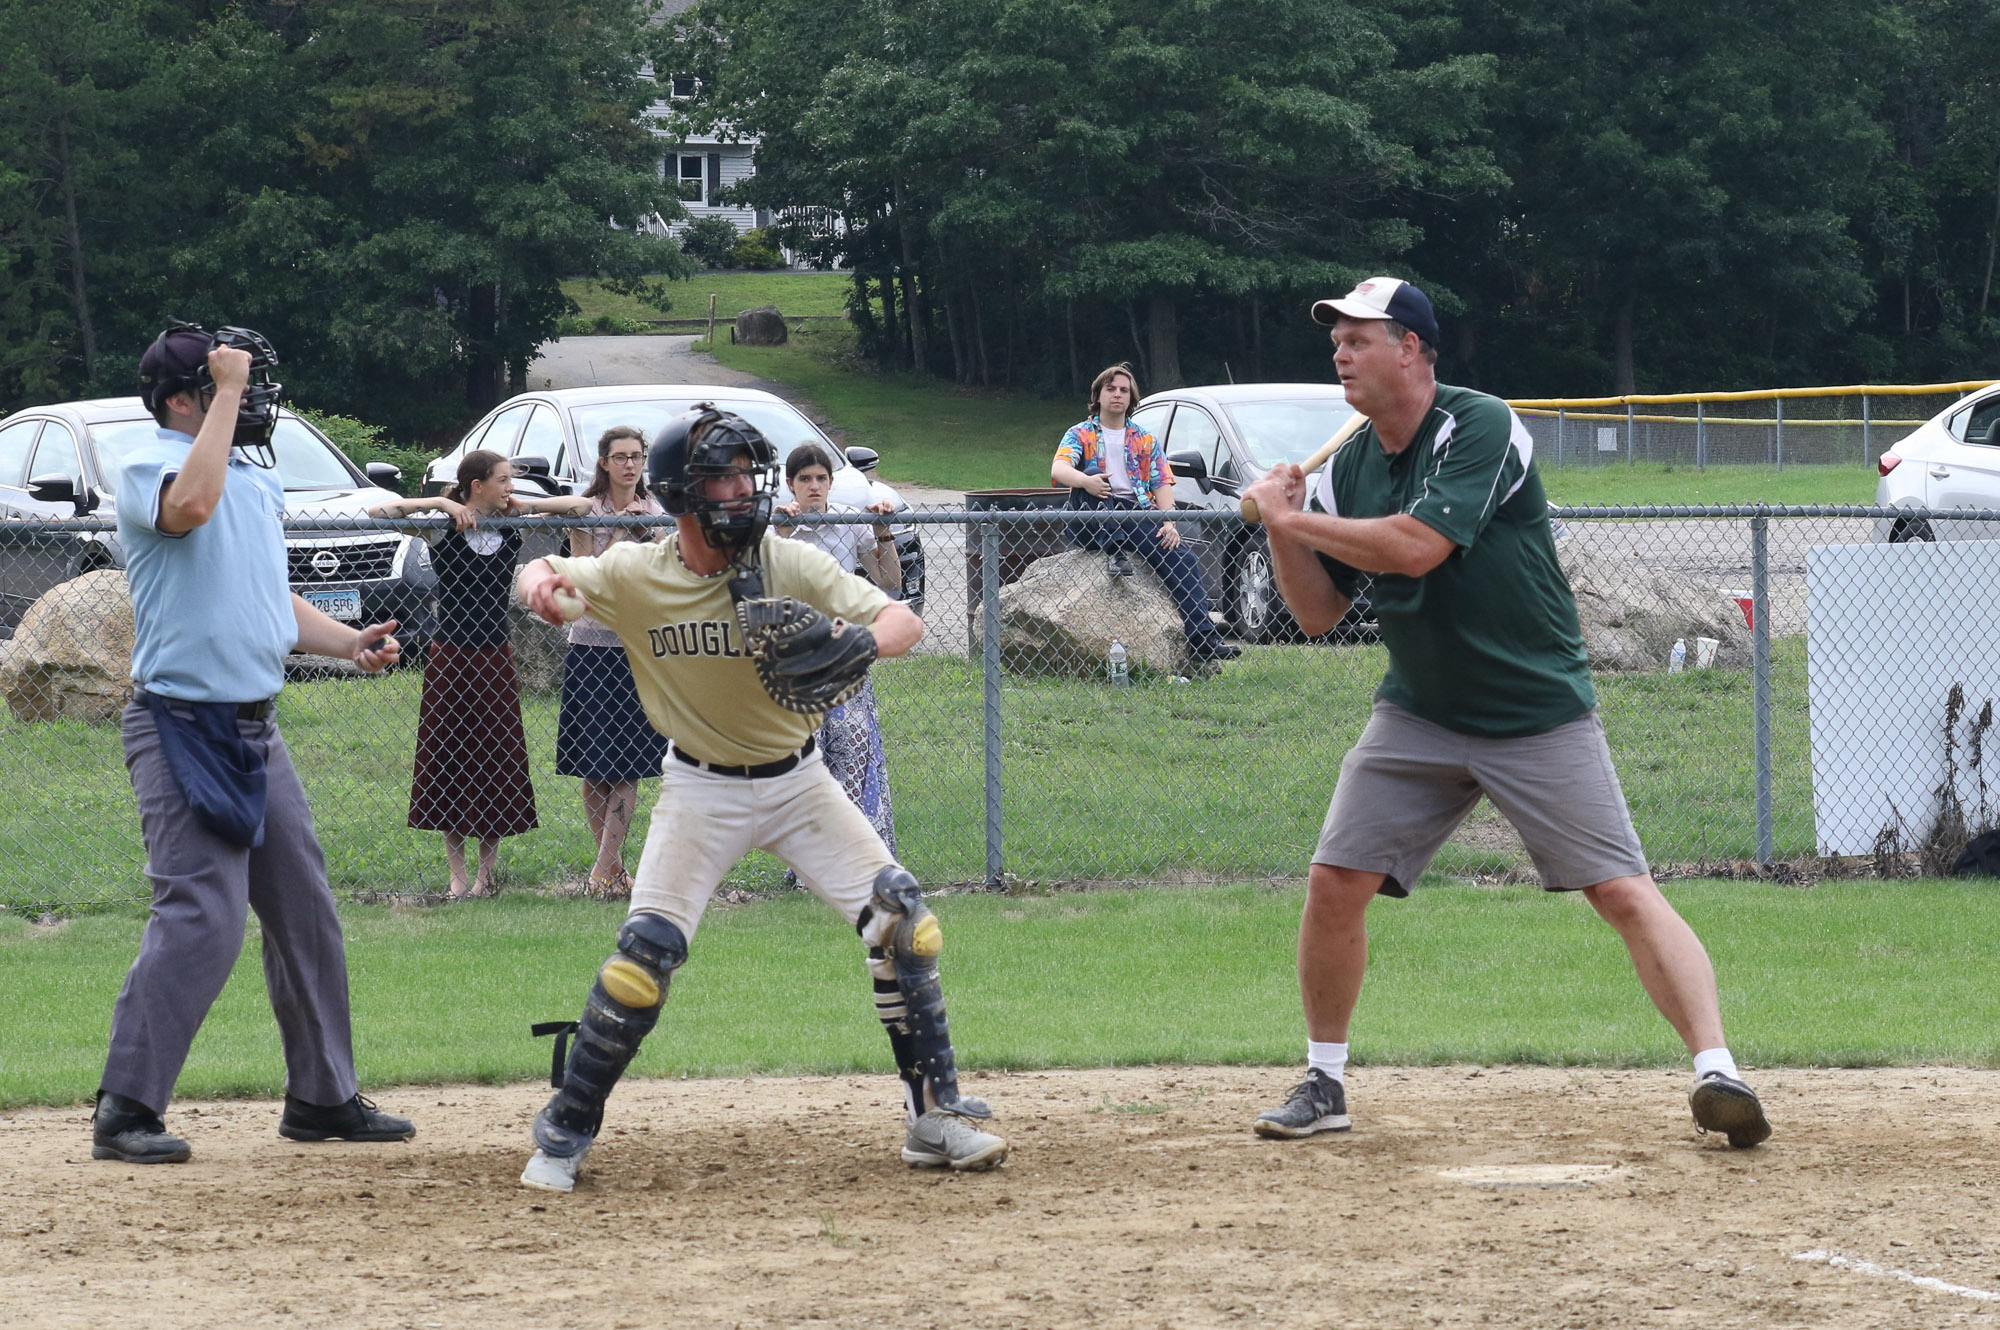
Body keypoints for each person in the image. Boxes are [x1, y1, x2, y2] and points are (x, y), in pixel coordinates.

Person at [1238, 277, 1772, 1150]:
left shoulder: (1480, 425)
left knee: (1622, 892)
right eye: (1335, 338)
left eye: (1359, 337)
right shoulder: (1353, 463)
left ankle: (1720, 1072)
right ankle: (1324, 1082)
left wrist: (1296, 522)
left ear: (1410, 347)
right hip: (1420, 710)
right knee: (1335, 880)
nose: (1340, 351)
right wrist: (1283, 525)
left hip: (1535, 709)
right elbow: (1316, 616)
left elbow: (1416, 548)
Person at [514, 404, 1008, 1192]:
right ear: (682, 495)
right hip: (699, 788)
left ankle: (933, 1115)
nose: (743, 491)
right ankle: (566, 1130)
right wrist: (541, 583)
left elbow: (903, 621)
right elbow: (535, 574)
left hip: (797, 781)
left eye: (749, 474)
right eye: (722, 477)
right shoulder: (641, 572)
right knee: (644, 961)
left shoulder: (787, 563)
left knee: (905, 925)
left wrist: (858, 643)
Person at [92, 321, 413, 1164]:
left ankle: (323, 1097)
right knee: (203, 917)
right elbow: (187, 510)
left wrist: (346, 644)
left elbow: (268, 600)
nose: (253, 395)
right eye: (230, 382)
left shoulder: (252, 482)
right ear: (180, 400)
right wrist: (225, 396)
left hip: (255, 729)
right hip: (178, 725)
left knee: (305, 913)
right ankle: (125, 1107)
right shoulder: (146, 462)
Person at [369, 451, 590, 899]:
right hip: (450, 657)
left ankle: (487, 876)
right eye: (504, 480)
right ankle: (458, 877)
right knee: (450, 755)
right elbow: (379, 512)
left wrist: (526, 507)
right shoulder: (442, 526)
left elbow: (581, 508)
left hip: (494, 656)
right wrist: (444, 505)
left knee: (492, 755)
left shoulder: (511, 524)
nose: (511, 486)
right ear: (476, 485)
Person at [1051, 363, 1239, 663]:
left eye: (1124, 390)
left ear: (1131, 398)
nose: (1117, 395)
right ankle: (1113, 548)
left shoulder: (1145, 439)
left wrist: (1169, 523)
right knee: (1091, 471)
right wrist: (1087, 481)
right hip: (1090, 514)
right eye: (1110, 389)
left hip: (1134, 514)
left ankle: (1204, 638)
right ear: (1098, 395)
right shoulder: (1080, 433)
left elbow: (1161, 482)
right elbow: (1058, 468)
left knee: (1183, 558)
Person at [555, 426, 669, 901]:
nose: (629, 465)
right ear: (603, 462)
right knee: (593, 765)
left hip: (636, 651)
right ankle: (614, 870)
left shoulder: (658, 513)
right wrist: (622, 530)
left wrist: (646, 529)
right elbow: (585, 578)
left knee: (626, 767)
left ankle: (604, 869)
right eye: (619, 457)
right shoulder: (587, 512)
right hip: (590, 646)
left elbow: (663, 574)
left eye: (636, 456)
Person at [775, 442, 901, 858]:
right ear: (790, 485)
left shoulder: (849, 522)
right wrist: (782, 531)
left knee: (854, 750)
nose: (814, 487)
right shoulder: (780, 528)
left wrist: (883, 530)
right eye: (805, 480)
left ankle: (856, 852)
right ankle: (808, 860)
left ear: (831, 483)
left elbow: (890, 581)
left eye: (821, 479)